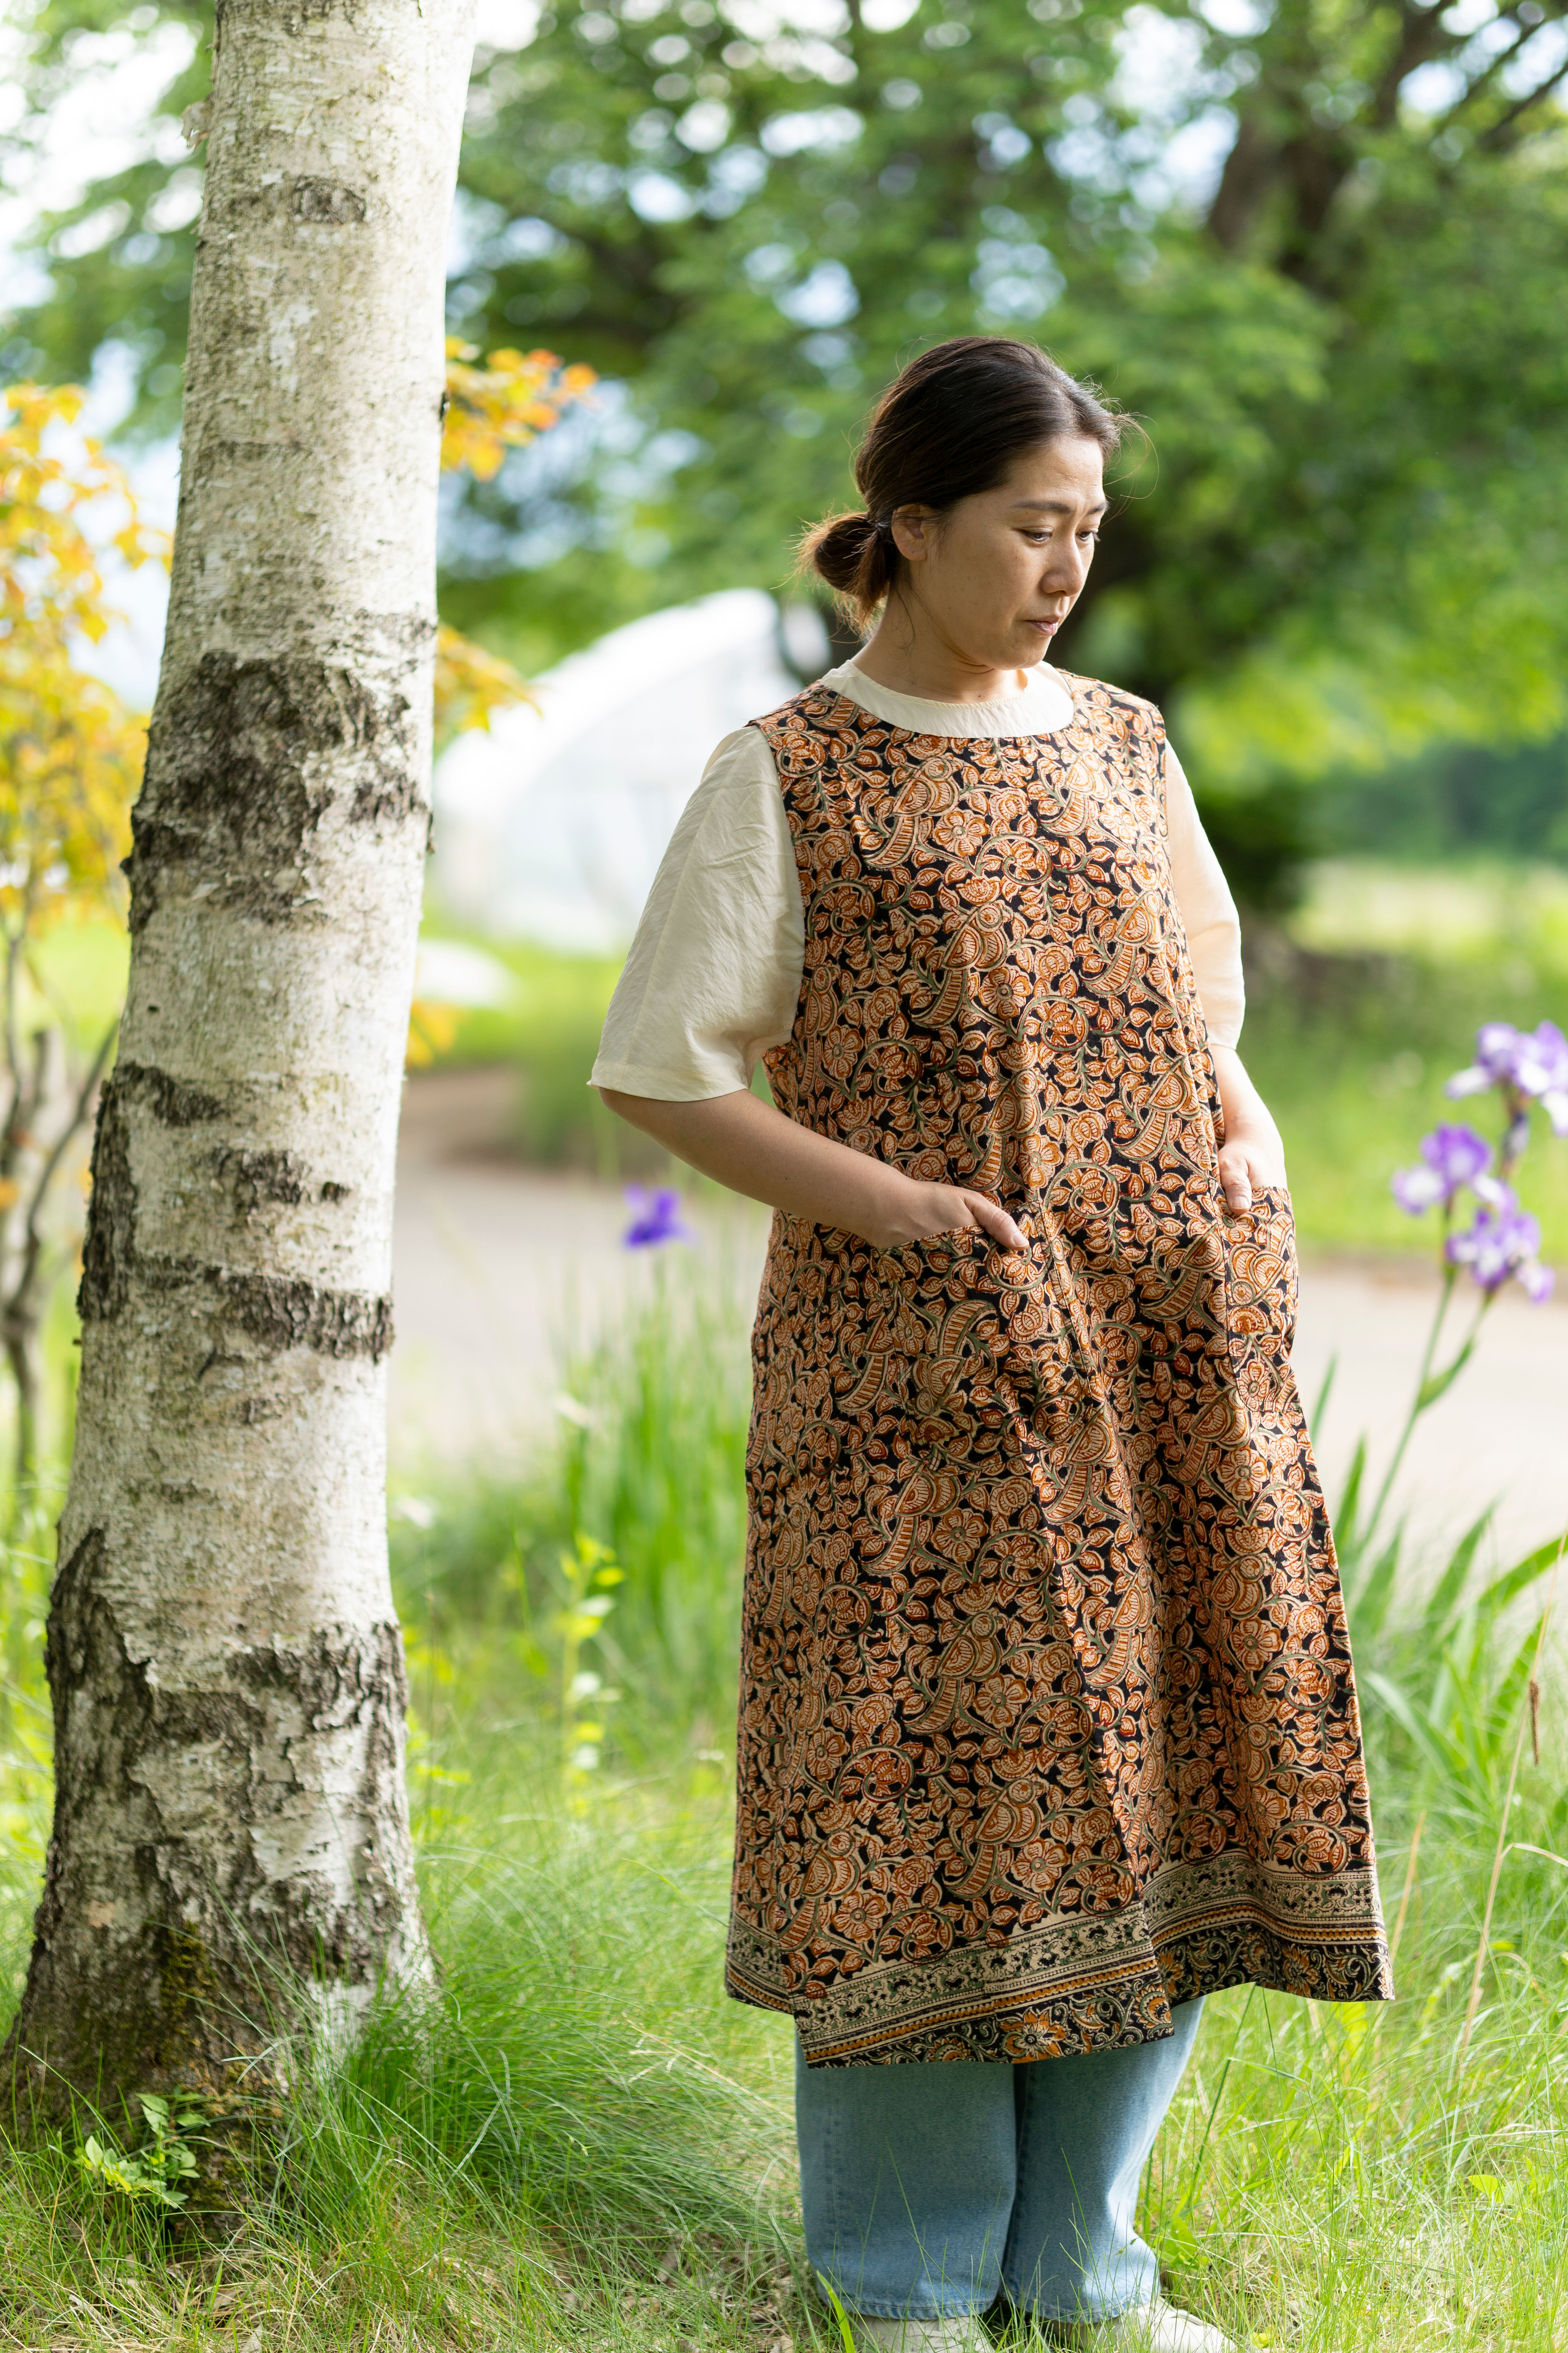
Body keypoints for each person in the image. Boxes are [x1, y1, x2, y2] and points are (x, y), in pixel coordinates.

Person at [593, 337, 1391, 2352]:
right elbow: (660, 1073)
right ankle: (909, 2284)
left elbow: (1202, 1023)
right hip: (913, 1389)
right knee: (923, 1812)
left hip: (1163, 1361)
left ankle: (1083, 2273)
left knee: (1167, 1777)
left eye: (1085, 531)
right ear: (916, 522)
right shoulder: (789, 769)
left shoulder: (1122, 742)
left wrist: (1255, 1153)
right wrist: (893, 1205)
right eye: (1031, 527)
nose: (1063, 566)